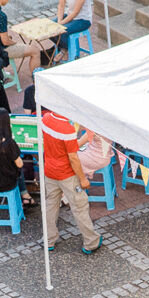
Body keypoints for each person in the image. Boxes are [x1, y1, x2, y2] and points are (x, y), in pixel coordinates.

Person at [39, 108, 103, 256]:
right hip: (66, 174)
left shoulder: (46, 118)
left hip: (49, 170)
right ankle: (91, 241)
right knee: (79, 207)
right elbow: (73, 158)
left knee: (50, 205)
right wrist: (82, 178)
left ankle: (49, 239)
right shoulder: (67, 129)